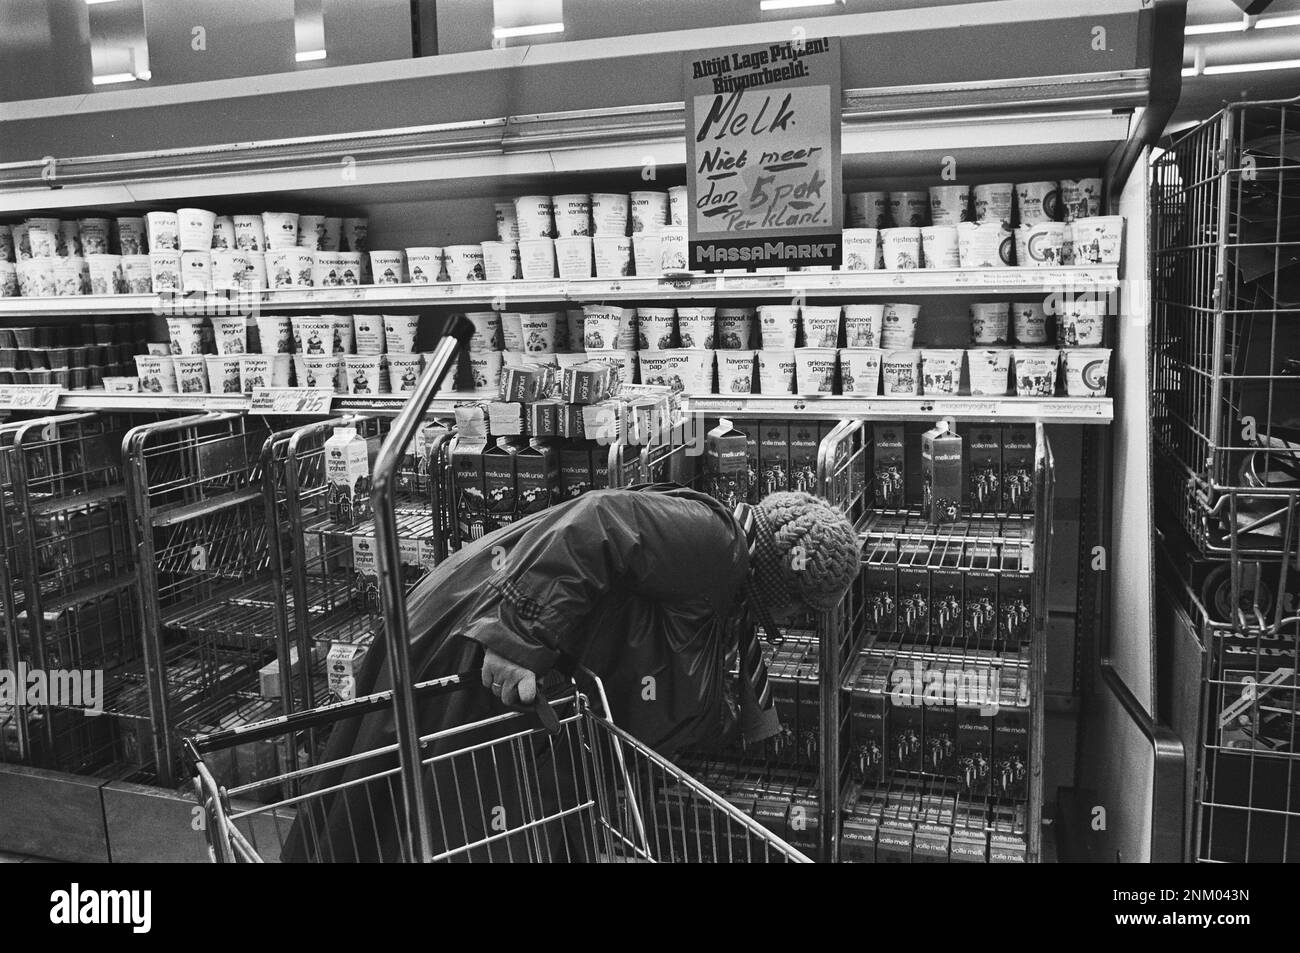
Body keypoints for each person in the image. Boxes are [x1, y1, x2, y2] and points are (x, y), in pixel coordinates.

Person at [282, 484, 859, 862]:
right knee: (415, 819)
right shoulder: (716, 545)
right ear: (783, 582)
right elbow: (600, 519)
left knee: (403, 815)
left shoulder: (731, 585)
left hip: (504, 666)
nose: (796, 625)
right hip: (481, 652)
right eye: (800, 610)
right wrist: (520, 632)